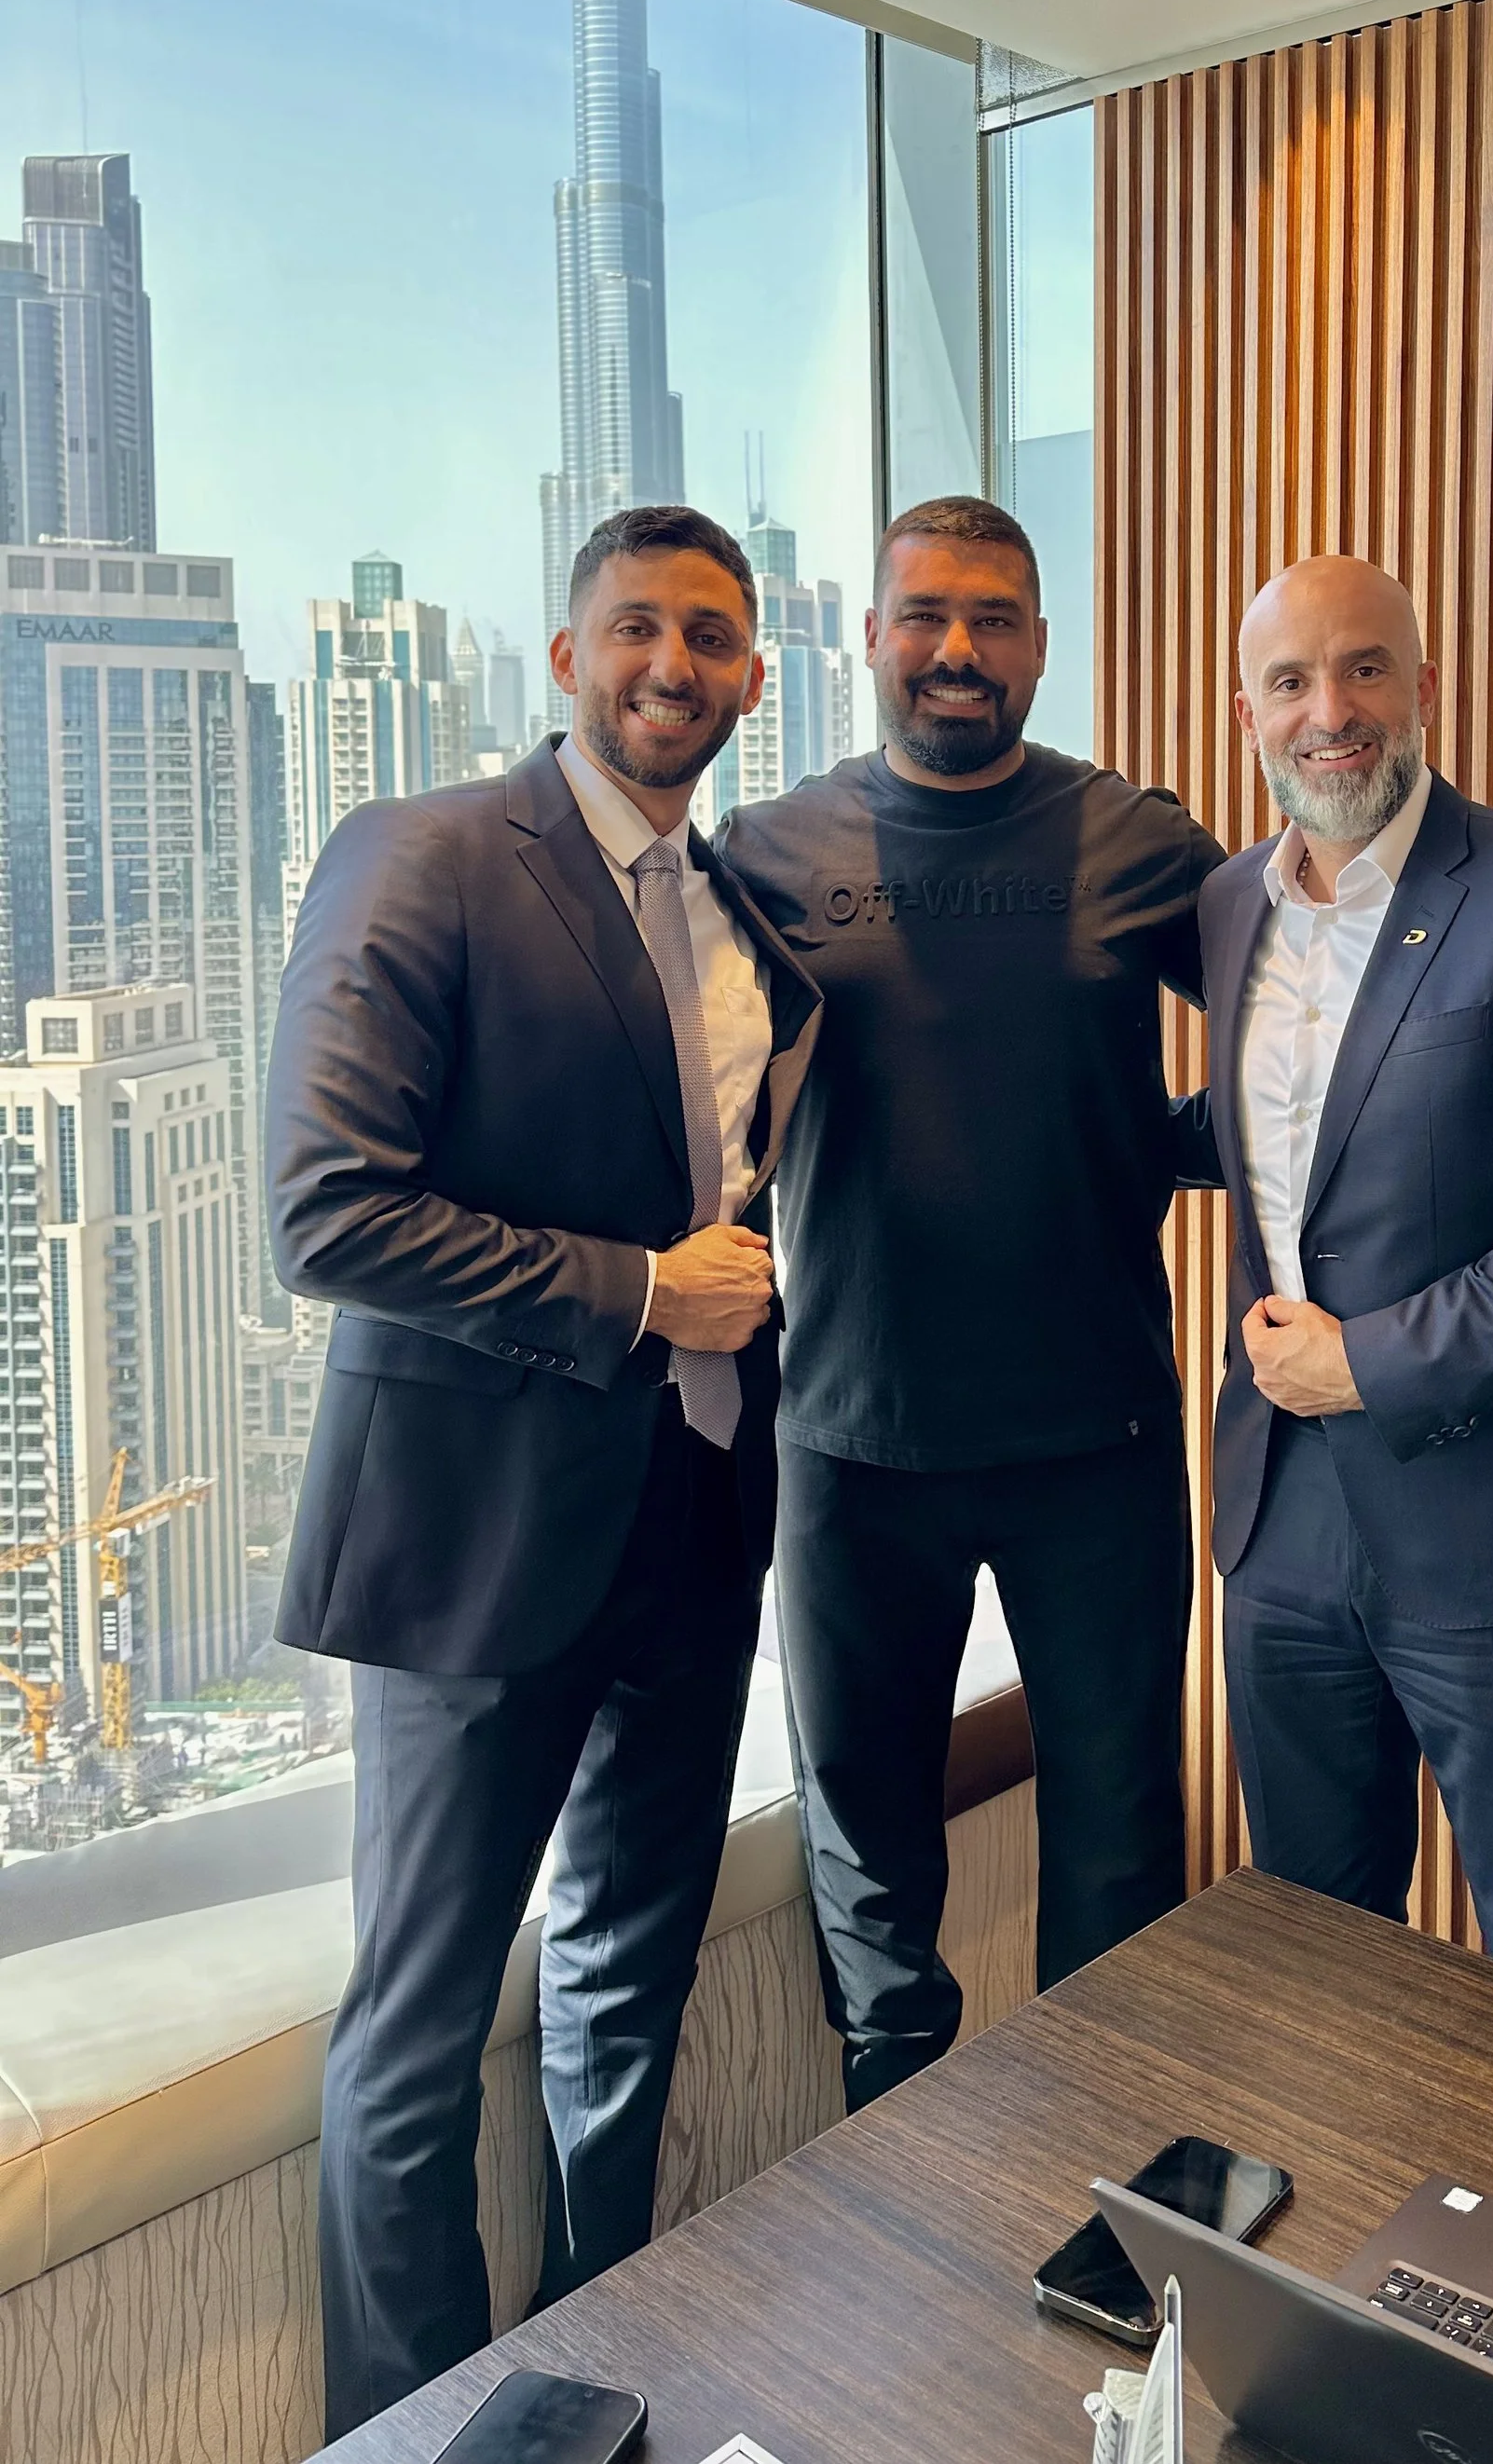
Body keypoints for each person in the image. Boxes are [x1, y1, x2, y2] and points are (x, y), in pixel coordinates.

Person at [268, 505, 820, 2432]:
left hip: (693, 1527)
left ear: (754, 675)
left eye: (714, 637)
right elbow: (326, 1208)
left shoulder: (741, 905)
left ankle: (605, 2380)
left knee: (624, 1996)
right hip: (472, 1547)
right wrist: (634, 1293)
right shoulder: (421, 857)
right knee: (414, 2043)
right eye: (638, 628)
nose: (676, 663)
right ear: (567, 655)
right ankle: (414, 2435)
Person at [719, 493, 1224, 2106]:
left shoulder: (1139, 843)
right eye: (925, 614)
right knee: (868, 1867)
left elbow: (1317, 1058)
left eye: (995, 618)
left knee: (1121, 1845)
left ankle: (1109, 2216)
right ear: (868, 637)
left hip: (1102, 1433)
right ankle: (905, 2210)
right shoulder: (771, 853)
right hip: (853, 1442)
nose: (957, 648)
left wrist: (1172, 1149)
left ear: (1039, 649)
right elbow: (678, 1105)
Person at [1181, 554, 1493, 1987]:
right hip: (1283, 1526)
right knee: (1314, 1948)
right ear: (1247, 711)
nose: (1328, 711)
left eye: (1363, 669)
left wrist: (1368, 1361)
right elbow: (1293, 1142)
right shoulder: (1235, 906)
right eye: (1291, 681)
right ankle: (1347, 2205)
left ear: (1426, 690)